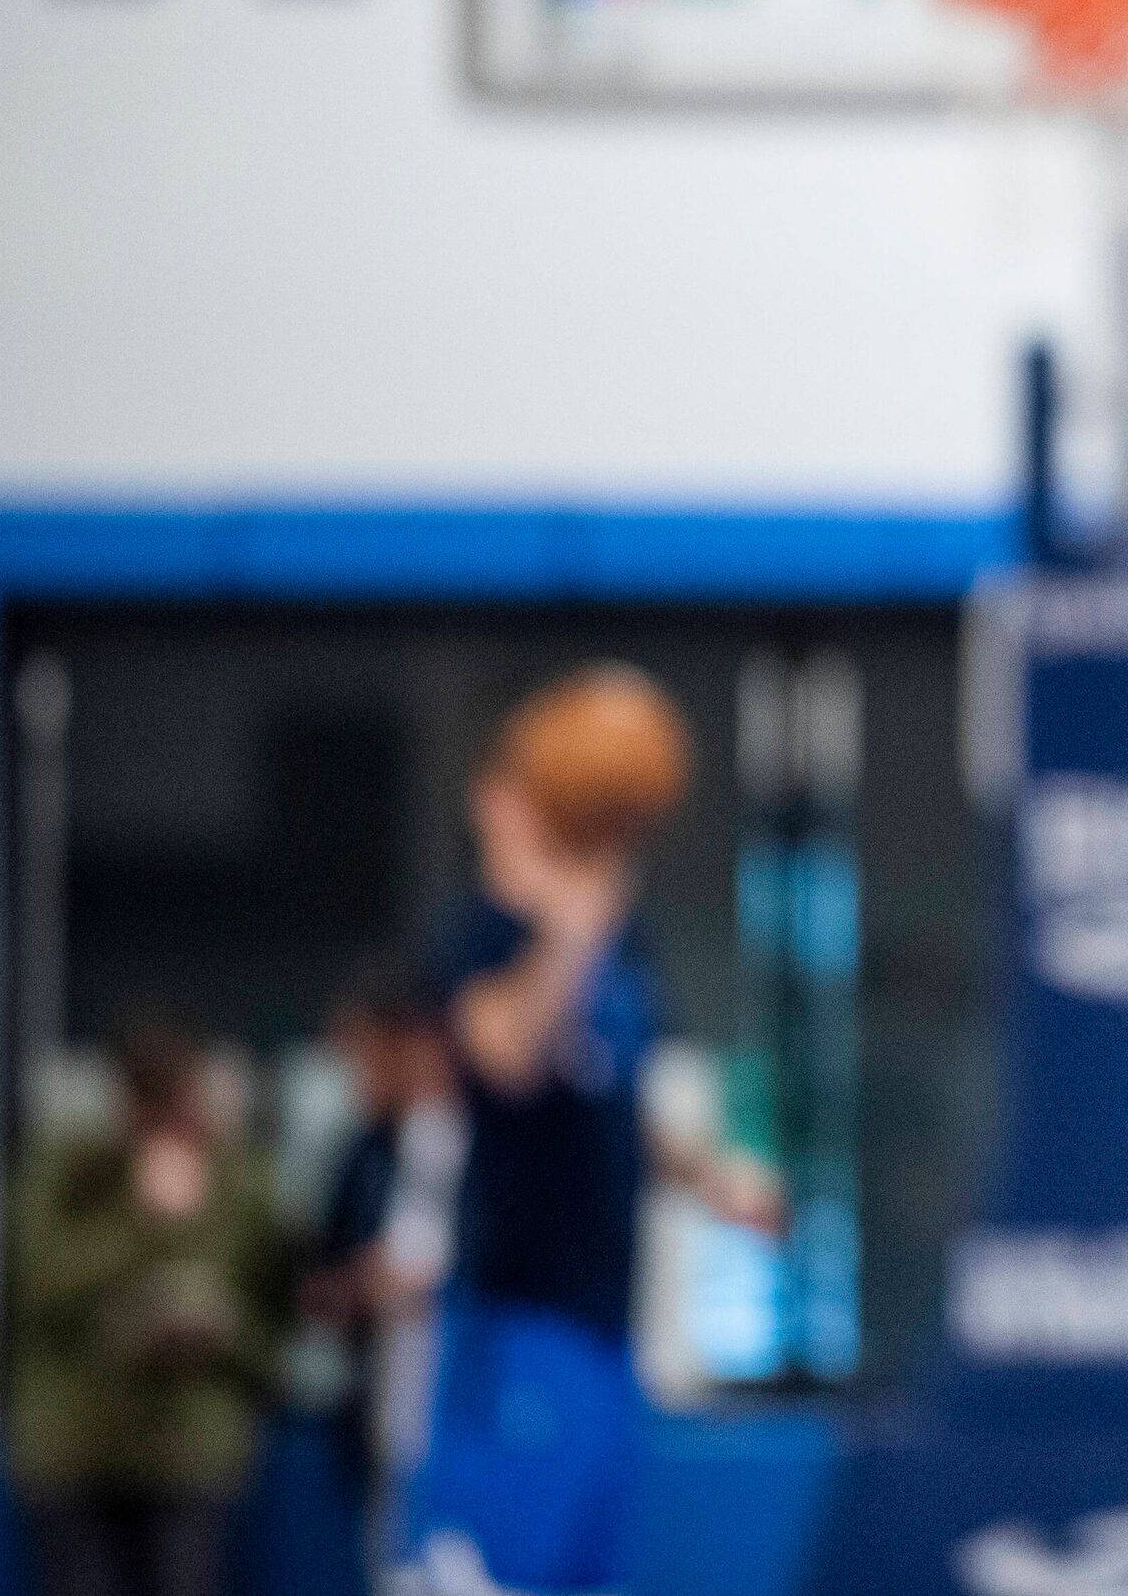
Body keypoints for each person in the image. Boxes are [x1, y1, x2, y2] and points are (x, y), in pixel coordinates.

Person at [394, 666, 777, 1596]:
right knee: (490, 1577)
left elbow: (614, 1102)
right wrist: (567, 926)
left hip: (606, 1325)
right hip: (516, 1318)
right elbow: (505, 1055)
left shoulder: (620, 942)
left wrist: (706, 1175)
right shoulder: (482, 933)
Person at [9, 1015, 293, 1596]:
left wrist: (220, 1333)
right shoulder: (67, 1170)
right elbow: (36, 1289)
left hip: (191, 1452)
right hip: (75, 1449)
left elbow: (280, 1318)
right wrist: (141, 1221)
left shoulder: (243, 1182)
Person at [306, 962, 465, 1566]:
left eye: (362, 1054)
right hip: (387, 1423)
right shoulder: (364, 1153)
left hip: (478, 1419)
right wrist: (358, 1288)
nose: (353, 1074)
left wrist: (434, 1281)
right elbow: (325, 1282)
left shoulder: (484, 1143)